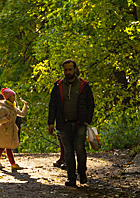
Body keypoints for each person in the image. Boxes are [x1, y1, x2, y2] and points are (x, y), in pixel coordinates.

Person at [48, 59, 95, 187]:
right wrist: (51, 122)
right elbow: (52, 105)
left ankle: (82, 173)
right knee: (68, 151)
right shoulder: (58, 86)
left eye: (70, 69)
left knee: (80, 149)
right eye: (65, 70)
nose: (68, 72)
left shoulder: (83, 85)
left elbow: (90, 103)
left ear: (75, 69)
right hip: (64, 124)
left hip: (80, 123)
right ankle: (71, 177)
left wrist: (87, 119)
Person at [0, 88, 28, 170]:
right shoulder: (3, 108)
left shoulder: (13, 107)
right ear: (8, 97)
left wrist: (25, 106)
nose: (14, 98)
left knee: (6, 147)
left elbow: (22, 114)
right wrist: (6, 118)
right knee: (3, 147)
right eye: (13, 96)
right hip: (4, 130)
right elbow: (0, 121)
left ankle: (2, 163)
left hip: (11, 129)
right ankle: (8, 163)